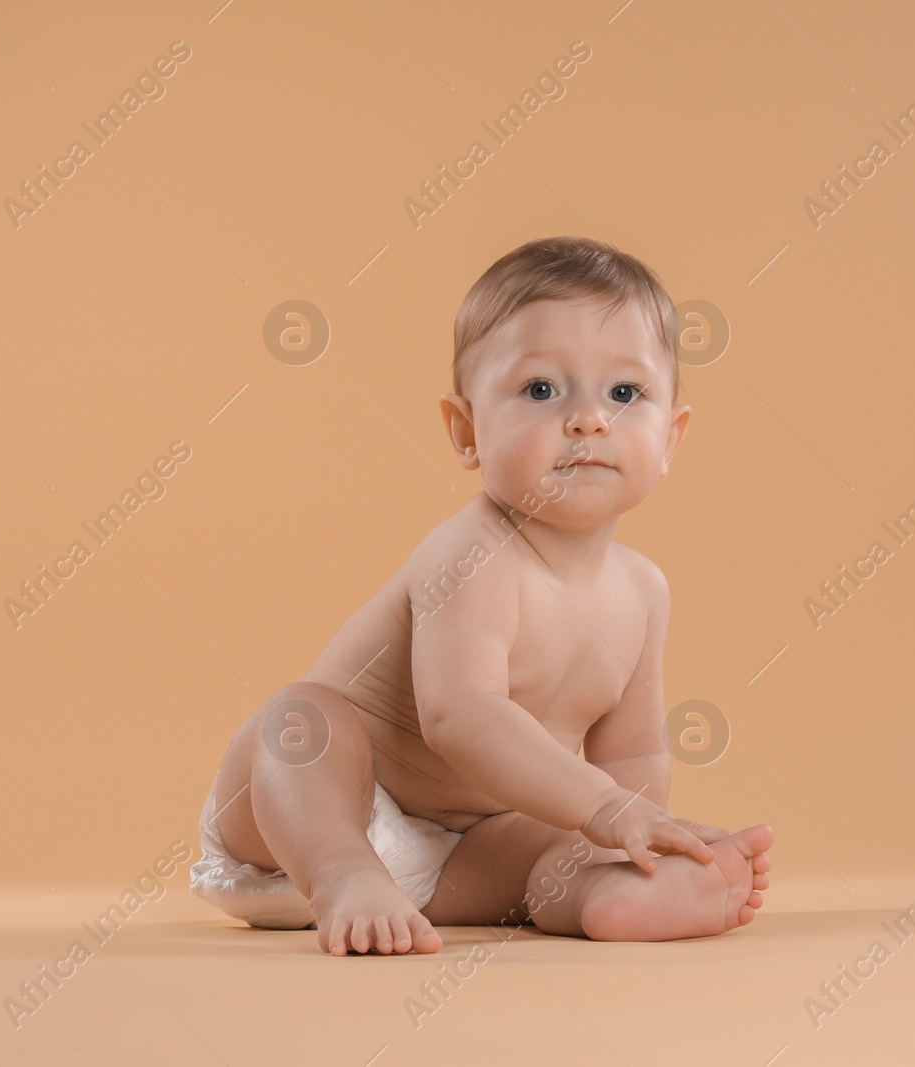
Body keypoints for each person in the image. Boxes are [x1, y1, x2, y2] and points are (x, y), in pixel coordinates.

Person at [191, 235, 773, 955]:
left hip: (461, 859)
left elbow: (630, 761)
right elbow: (458, 715)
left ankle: (614, 895)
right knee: (301, 718)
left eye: (625, 393)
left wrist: (641, 835)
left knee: (555, 855)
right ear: (466, 430)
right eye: (541, 390)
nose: (589, 418)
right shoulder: (473, 553)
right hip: (303, 825)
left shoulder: (645, 590)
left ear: (671, 440)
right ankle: (344, 876)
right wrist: (604, 805)